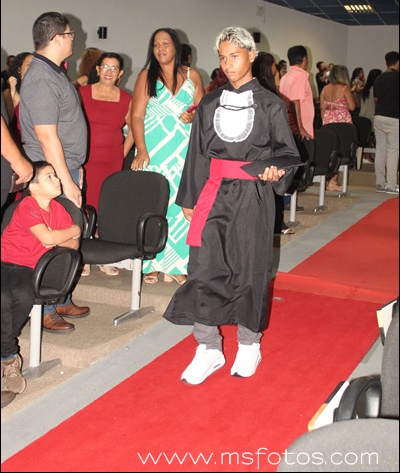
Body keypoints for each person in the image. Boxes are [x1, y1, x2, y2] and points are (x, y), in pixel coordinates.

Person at [164, 27, 300, 384]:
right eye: (222, 58)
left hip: (253, 196)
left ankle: (249, 344)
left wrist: (275, 172)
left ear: (251, 56)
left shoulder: (271, 105)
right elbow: (196, 154)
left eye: (234, 56)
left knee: (250, 268)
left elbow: (287, 154)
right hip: (213, 193)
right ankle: (208, 347)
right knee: (204, 268)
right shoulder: (209, 103)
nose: (227, 64)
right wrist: (189, 199)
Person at [19, 11, 90, 333]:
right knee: (54, 239)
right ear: (57, 37)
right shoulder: (42, 77)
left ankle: (61, 297)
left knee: (69, 236)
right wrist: (65, 181)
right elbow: (47, 136)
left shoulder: (53, 71)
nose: (74, 38)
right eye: (71, 34)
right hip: (52, 175)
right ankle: (46, 307)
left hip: (65, 168)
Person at [1, 161, 81, 399]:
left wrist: (71, 232)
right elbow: (48, 238)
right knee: (3, 298)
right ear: (33, 187)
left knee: (25, 298)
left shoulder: (58, 209)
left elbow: (73, 244)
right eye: (49, 176)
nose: (57, 179)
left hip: (27, 268)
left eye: (55, 175)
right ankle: (9, 357)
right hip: (3, 261)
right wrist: (68, 232)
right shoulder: (27, 205)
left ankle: (5, 351)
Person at [131, 28, 205, 285]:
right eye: (155, 45)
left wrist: (193, 116)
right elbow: (136, 116)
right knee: (154, 204)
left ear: (176, 46)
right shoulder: (146, 75)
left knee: (181, 204)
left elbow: (203, 112)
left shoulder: (193, 76)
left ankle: (175, 264)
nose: (160, 49)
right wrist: (141, 149)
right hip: (154, 150)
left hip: (183, 150)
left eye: (165, 43)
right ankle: (150, 262)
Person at [79, 52, 133, 276]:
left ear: (120, 73)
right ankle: (83, 256)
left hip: (111, 161)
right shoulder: (82, 93)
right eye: (105, 67)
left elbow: (134, 129)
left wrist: (122, 153)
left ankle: (103, 257)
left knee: (106, 208)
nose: (109, 72)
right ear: (98, 70)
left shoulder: (126, 98)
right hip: (85, 159)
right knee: (84, 204)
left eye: (114, 68)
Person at [252, 52, 296, 234]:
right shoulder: (266, 90)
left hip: (267, 144)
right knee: (272, 183)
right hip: (267, 144)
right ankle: (277, 223)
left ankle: (278, 222)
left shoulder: (264, 87)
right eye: (273, 65)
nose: (276, 68)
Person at [320, 64, 356, 192]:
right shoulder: (345, 88)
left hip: (328, 122)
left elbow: (322, 108)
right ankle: (333, 181)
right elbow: (352, 107)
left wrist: (325, 120)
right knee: (341, 151)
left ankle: (328, 180)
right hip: (342, 123)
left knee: (331, 151)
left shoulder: (325, 88)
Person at [373, 51, 399, 195]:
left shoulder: (379, 78)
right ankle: (391, 185)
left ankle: (380, 183)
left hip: (379, 116)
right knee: (393, 151)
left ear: (386, 62)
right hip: (394, 118)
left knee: (380, 150)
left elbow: (376, 99)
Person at [279, 45, 315, 144]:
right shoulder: (300, 76)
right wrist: (301, 129)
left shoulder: (285, 77)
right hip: (300, 129)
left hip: (289, 125)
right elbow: (295, 102)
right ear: (304, 59)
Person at [2, 52, 33, 137]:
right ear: (19, 69)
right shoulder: (10, 91)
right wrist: (12, 91)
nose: (34, 68)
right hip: (20, 140)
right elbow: (8, 119)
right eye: (29, 64)